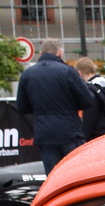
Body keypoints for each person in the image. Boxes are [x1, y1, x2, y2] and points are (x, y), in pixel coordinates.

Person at [16, 37, 94, 174]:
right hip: (70, 131)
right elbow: (87, 100)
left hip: (45, 133)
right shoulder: (68, 72)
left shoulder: (28, 75)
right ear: (59, 53)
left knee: (53, 178)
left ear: (41, 53)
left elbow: (22, 107)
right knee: (76, 174)